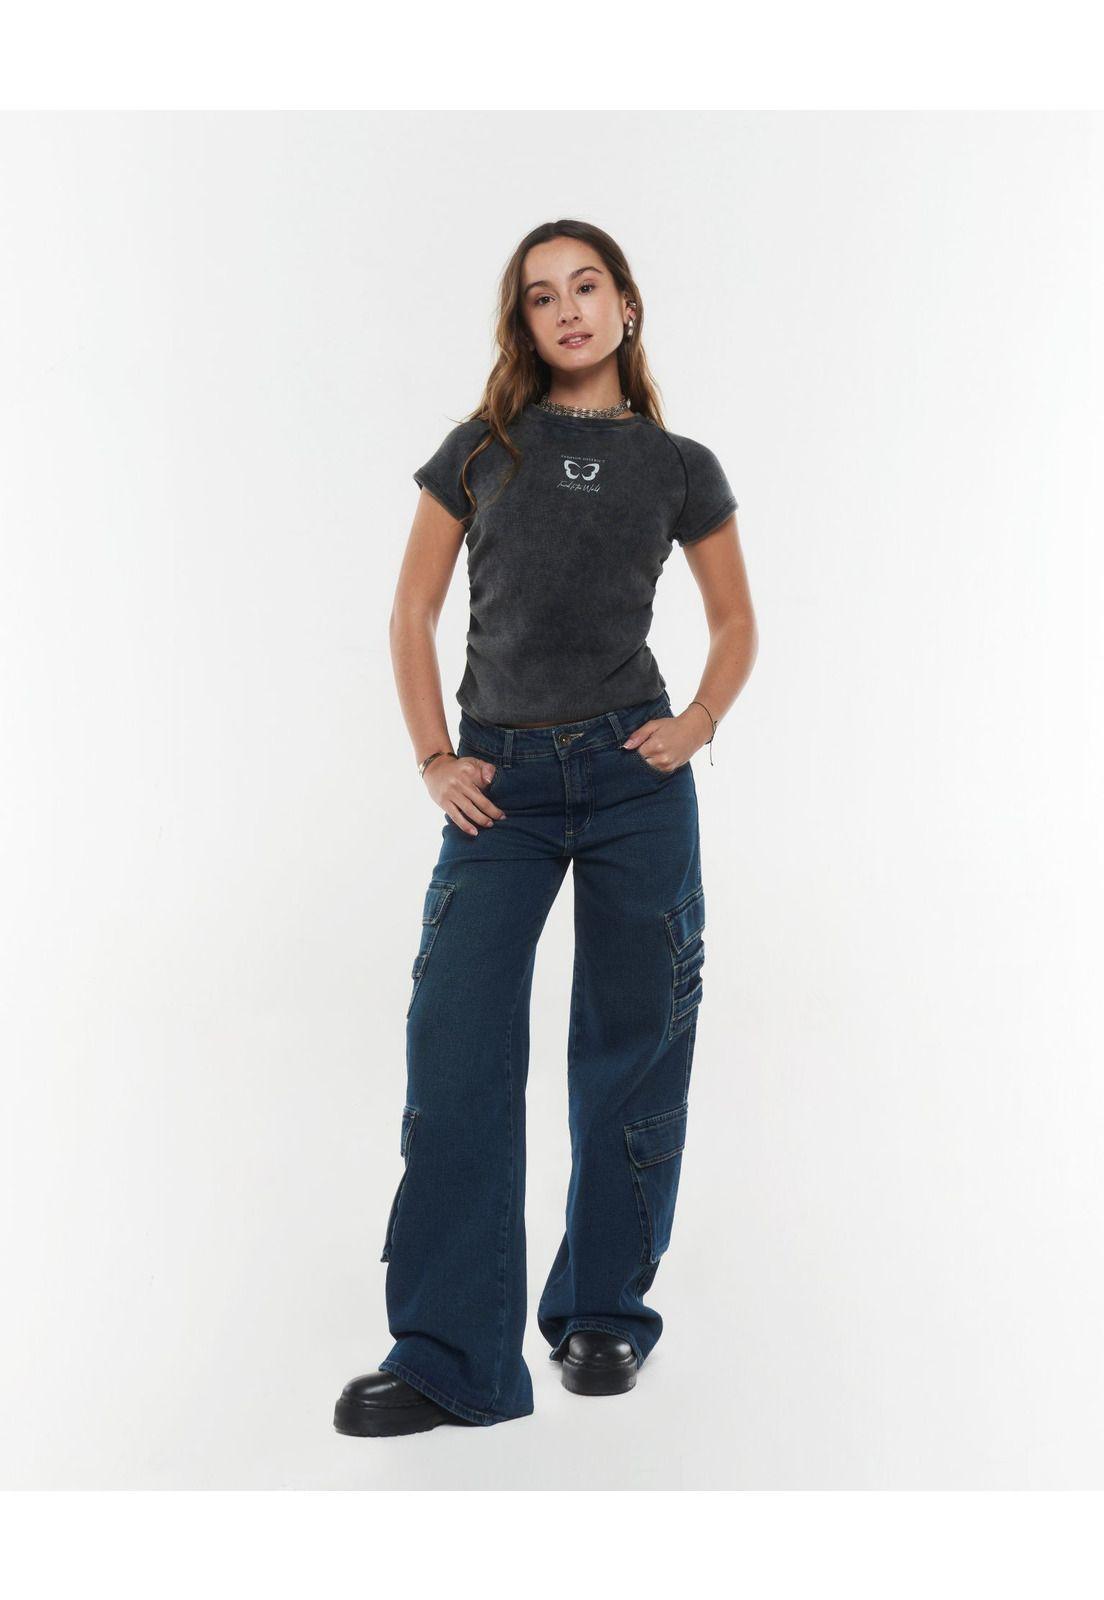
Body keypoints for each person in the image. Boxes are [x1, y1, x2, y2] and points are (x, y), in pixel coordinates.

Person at [333, 219, 758, 1437]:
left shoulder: (679, 467)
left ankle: (602, 1313)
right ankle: (450, 1354)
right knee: (457, 1041)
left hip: (634, 777)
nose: (567, 309)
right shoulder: (484, 447)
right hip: (501, 785)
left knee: (634, 1044)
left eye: (586, 286)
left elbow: (736, 621)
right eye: (540, 296)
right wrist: (434, 757)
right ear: (521, 322)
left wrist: (698, 720)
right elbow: (411, 609)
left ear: (627, 304)